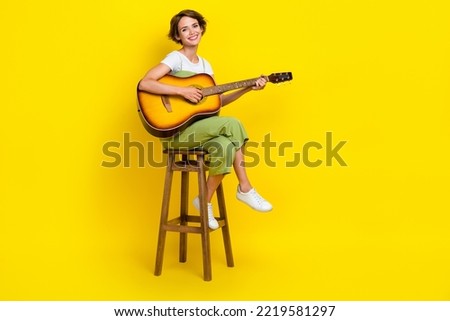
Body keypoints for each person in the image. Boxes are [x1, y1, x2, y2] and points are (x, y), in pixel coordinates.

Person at [138, 9, 272, 230]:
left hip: (199, 132)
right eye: (184, 29)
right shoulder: (176, 58)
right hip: (175, 133)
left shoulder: (205, 67)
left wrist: (247, 89)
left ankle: (203, 199)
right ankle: (245, 188)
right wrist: (182, 92)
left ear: (201, 28)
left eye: (194, 26)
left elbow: (216, 103)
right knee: (234, 124)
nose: (191, 31)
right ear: (178, 36)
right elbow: (145, 83)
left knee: (226, 145)